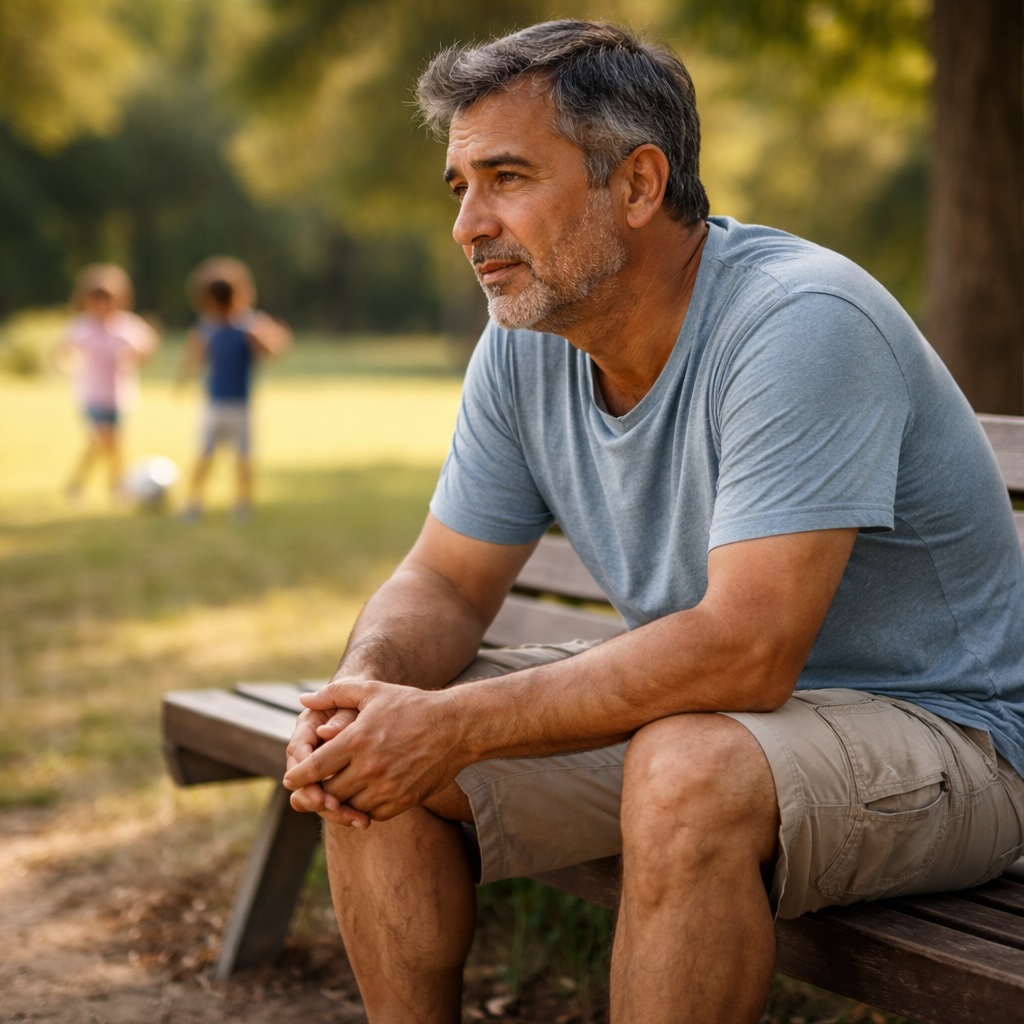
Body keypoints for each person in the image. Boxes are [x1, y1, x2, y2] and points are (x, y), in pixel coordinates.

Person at [283, 20, 1024, 1024]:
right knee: (374, 750)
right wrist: (368, 688)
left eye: (507, 176)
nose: (468, 224)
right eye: (460, 186)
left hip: (953, 740)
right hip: (719, 720)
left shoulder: (799, 322)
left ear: (637, 184)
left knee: (686, 766)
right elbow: (446, 582)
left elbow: (748, 652)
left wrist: (450, 722)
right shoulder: (528, 339)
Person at [178, 256, 292, 520]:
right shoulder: (208, 328)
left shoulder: (248, 327)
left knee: (243, 458)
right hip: (216, 403)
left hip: (239, 404)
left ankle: (242, 504)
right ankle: (194, 503)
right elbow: (196, 355)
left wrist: (274, 338)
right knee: (205, 455)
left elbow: (271, 350)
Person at [58, 263, 159, 505]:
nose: (101, 306)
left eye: (106, 300)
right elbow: (63, 350)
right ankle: (88, 484)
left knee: (114, 444)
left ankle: (111, 486)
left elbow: (148, 345)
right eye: (96, 301)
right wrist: (68, 364)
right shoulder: (82, 326)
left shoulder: (126, 326)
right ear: (88, 301)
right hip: (92, 394)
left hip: (120, 395)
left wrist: (137, 355)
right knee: (103, 439)